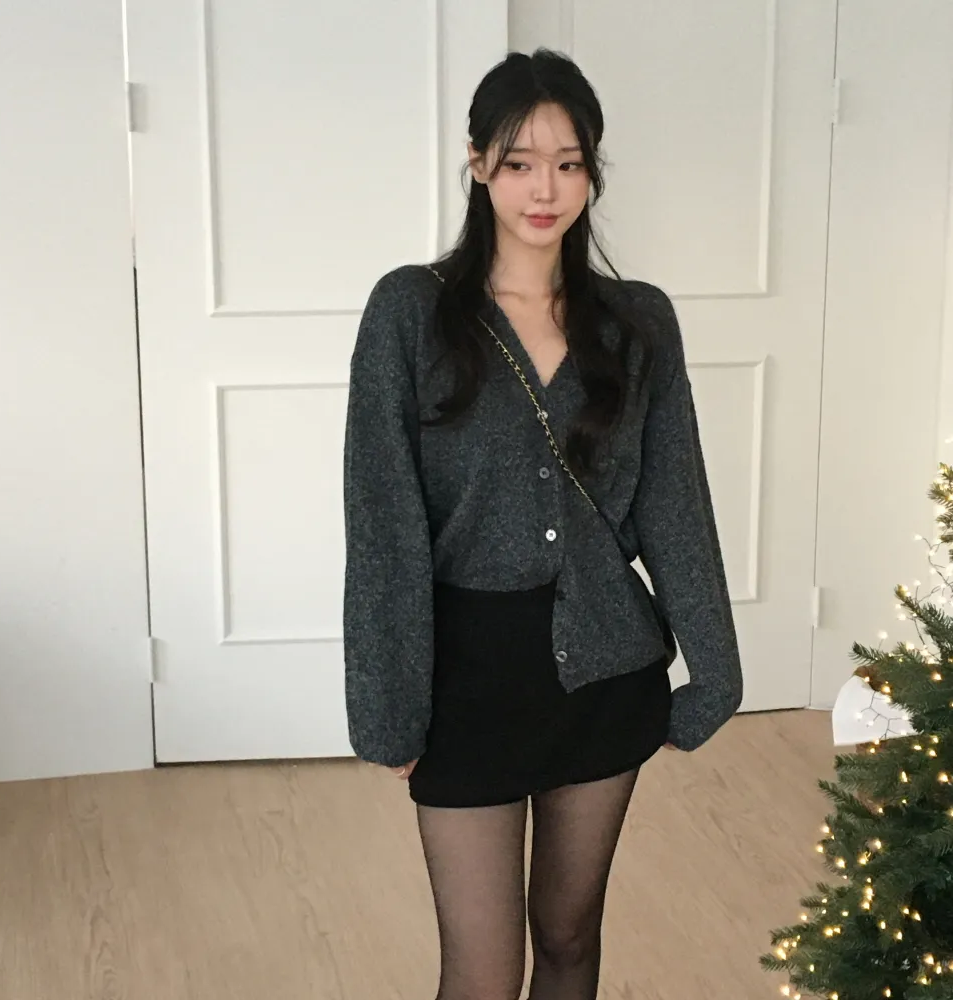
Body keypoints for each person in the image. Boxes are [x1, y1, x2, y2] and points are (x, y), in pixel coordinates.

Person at [342, 48, 742, 1000]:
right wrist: (388, 706)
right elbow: (382, 520)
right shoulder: (412, 312)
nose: (545, 189)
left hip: (602, 669)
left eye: (568, 163)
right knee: (482, 972)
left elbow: (676, 502)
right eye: (520, 162)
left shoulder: (638, 324)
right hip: (466, 680)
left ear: (593, 172)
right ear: (477, 161)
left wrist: (717, 673)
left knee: (568, 939)